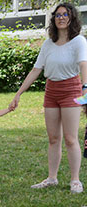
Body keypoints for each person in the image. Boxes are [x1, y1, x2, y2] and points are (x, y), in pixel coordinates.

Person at [10, 2, 87, 193]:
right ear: (54, 19)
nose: (61, 18)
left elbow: (84, 64)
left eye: (65, 14)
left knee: (70, 138)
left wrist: (85, 89)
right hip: (51, 90)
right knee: (53, 138)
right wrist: (19, 93)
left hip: (72, 89)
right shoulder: (48, 44)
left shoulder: (78, 41)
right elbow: (36, 69)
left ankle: (75, 180)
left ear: (72, 18)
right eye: (58, 15)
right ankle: (52, 178)